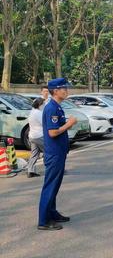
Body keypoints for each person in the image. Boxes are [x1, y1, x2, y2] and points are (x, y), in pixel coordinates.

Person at [38, 78, 77, 231]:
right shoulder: (52, 108)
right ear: (55, 91)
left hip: (59, 152)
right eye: (63, 89)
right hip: (54, 153)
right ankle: (44, 220)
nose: (66, 91)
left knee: (54, 186)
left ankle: (52, 213)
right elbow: (53, 132)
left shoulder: (57, 107)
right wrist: (69, 124)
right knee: (50, 186)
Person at [26, 97, 46, 178]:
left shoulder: (32, 112)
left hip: (32, 136)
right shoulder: (39, 113)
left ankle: (30, 171)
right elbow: (45, 124)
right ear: (40, 105)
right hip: (39, 136)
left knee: (34, 153)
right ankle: (52, 169)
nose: (44, 105)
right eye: (43, 104)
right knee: (48, 151)